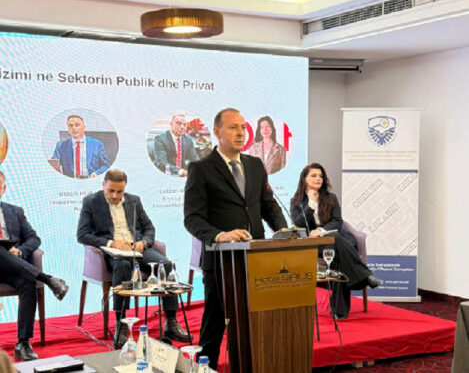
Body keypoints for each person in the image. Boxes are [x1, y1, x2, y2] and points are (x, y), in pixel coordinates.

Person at [184, 108, 287, 369]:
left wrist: (284, 231)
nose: (241, 133)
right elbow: (193, 218)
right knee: (214, 324)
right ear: (217, 132)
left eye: (242, 127)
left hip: (257, 258)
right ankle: (205, 369)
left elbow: (268, 205)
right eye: (233, 127)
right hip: (221, 262)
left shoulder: (255, 165)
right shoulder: (201, 169)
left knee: (257, 323)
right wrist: (220, 236)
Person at [77, 169, 191, 348]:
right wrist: (111, 243)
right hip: (112, 252)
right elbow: (82, 235)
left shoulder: (134, 200)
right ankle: (121, 324)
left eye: (119, 191)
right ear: (103, 185)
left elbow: (149, 228)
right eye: (111, 191)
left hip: (137, 249)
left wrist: (143, 242)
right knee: (123, 265)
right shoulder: (91, 202)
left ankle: (171, 321)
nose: (115, 196)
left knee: (167, 265)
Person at [290, 163, 381, 320]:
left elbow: (337, 221)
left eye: (320, 176)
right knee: (337, 247)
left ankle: (339, 311)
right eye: (313, 175)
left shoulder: (331, 198)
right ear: (304, 179)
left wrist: (321, 231)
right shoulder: (296, 201)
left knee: (338, 253)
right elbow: (299, 224)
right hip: (316, 244)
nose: (318, 178)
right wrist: (311, 205)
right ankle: (365, 276)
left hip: (337, 240)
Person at [0, 171, 69, 361]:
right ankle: (47, 279)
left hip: (13, 267)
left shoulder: (15, 212)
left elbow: (34, 239)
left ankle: (23, 343)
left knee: (28, 282)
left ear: (3, 189)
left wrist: (19, 251)